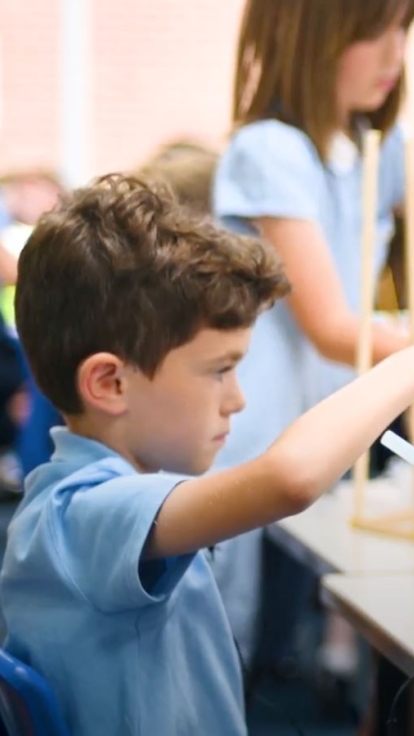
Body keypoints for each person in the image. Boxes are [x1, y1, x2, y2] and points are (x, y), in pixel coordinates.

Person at [2, 176, 414, 736]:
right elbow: (289, 479)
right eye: (219, 371)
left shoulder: (88, 498)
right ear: (110, 383)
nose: (237, 399)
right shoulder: (79, 511)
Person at [210, 0, 414, 679]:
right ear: (310, 36)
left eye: (404, 30)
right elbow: (331, 329)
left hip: (323, 441)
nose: (395, 55)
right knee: (241, 655)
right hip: (257, 438)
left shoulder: (375, 151)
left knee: (286, 643)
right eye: (373, 32)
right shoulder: (270, 149)